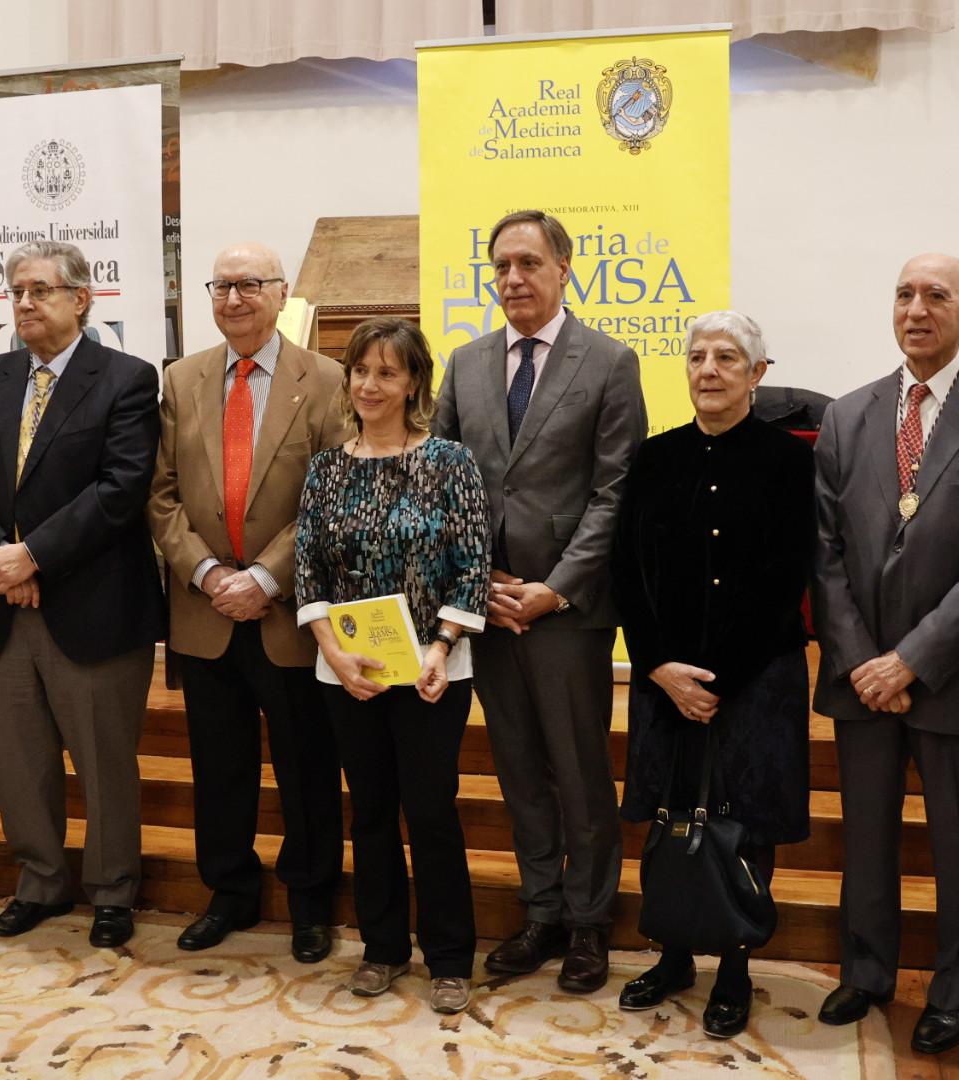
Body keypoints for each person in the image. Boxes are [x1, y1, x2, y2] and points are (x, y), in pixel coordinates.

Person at [809, 254, 959, 1053]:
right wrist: (867, 658)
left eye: (937, 295)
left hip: (955, 678)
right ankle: (865, 973)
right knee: (866, 837)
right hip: (861, 679)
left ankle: (955, 992)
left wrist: (912, 660)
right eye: (904, 294)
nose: (916, 308)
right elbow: (825, 552)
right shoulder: (849, 414)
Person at [431, 209, 645, 993]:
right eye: (501, 266)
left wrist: (554, 589)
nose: (513, 279)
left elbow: (616, 493)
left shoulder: (610, 362)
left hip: (568, 612)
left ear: (563, 267)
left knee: (581, 773)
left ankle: (591, 923)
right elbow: (443, 482)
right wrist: (473, 579)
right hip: (488, 607)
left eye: (528, 263)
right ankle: (543, 910)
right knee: (519, 770)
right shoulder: (467, 361)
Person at [0, 240, 163, 949]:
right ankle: (38, 881)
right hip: (2, 604)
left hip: (91, 604)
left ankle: (110, 891)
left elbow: (122, 487)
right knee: (20, 760)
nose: (27, 303)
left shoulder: (126, 379)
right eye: (17, 291)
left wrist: (33, 556)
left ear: (81, 299)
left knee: (103, 763)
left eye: (41, 290)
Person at [612, 311, 814, 1039]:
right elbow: (627, 573)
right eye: (697, 356)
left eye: (728, 357)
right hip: (666, 680)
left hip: (756, 680)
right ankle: (671, 955)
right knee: (669, 816)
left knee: (743, 824)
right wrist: (660, 666)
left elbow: (784, 577)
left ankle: (734, 968)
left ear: (758, 373)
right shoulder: (656, 456)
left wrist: (716, 681)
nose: (709, 369)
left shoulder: (790, 460)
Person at [145, 243, 348, 961]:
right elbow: (161, 495)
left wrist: (262, 578)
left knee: (306, 770)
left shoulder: (325, 380)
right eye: (222, 284)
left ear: (281, 291)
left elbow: (329, 499)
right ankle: (228, 892)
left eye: (250, 284)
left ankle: (311, 903)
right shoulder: (181, 379)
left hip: (288, 617)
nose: (233, 298)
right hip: (204, 616)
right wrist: (205, 574)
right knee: (219, 770)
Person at [295, 316, 490, 1015]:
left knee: (431, 810)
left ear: (414, 384)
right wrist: (334, 654)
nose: (371, 384)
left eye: (387, 372)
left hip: (435, 670)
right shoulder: (325, 468)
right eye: (361, 371)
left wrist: (438, 649)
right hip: (348, 671)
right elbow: (308, 573)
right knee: (371, 814)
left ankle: (448, 959)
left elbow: (473, 569)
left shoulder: (450, 463)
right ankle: (382, 950)